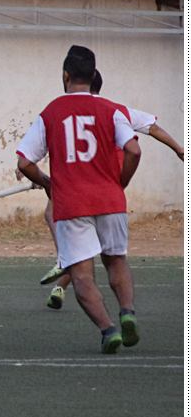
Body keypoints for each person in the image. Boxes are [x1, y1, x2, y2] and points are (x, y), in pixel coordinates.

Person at [16, 46, 141, 353]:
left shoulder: (51, 112)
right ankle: (127, 311)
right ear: (93, 75)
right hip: (110, 200)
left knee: (82, 274)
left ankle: (108, 329)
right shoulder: (111, 110)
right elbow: (134, 150)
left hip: (72, 204)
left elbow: (24, 162)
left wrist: (47, 183)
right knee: (116, 260)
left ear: (66, 75)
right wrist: (121, 181)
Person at [41, 69, 183, 309]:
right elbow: (152, 127)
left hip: (79, 183)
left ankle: (64, 262)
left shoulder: (65, 110)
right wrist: (179, 149)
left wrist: (40, 174)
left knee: (63, 223)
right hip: (107, 186)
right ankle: (68, 279)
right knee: (106, 250)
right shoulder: (115, 110)